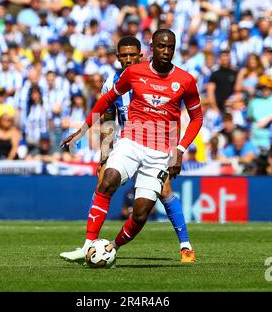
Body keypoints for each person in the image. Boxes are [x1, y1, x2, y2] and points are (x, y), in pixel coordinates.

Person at [60, 29, 203, 263]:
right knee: (107, 179)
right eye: (161, 47)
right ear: (152, 48)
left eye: (170, 47)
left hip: (161, 150)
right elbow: (106, 107)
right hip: (131, 141)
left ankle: (113, 247)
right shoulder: (130, 75)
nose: (166, 51)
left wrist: (180, 150)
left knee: (141, 212)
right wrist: (83, 132)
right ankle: (88, 245)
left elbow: (197, 118)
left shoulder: (185, 80)